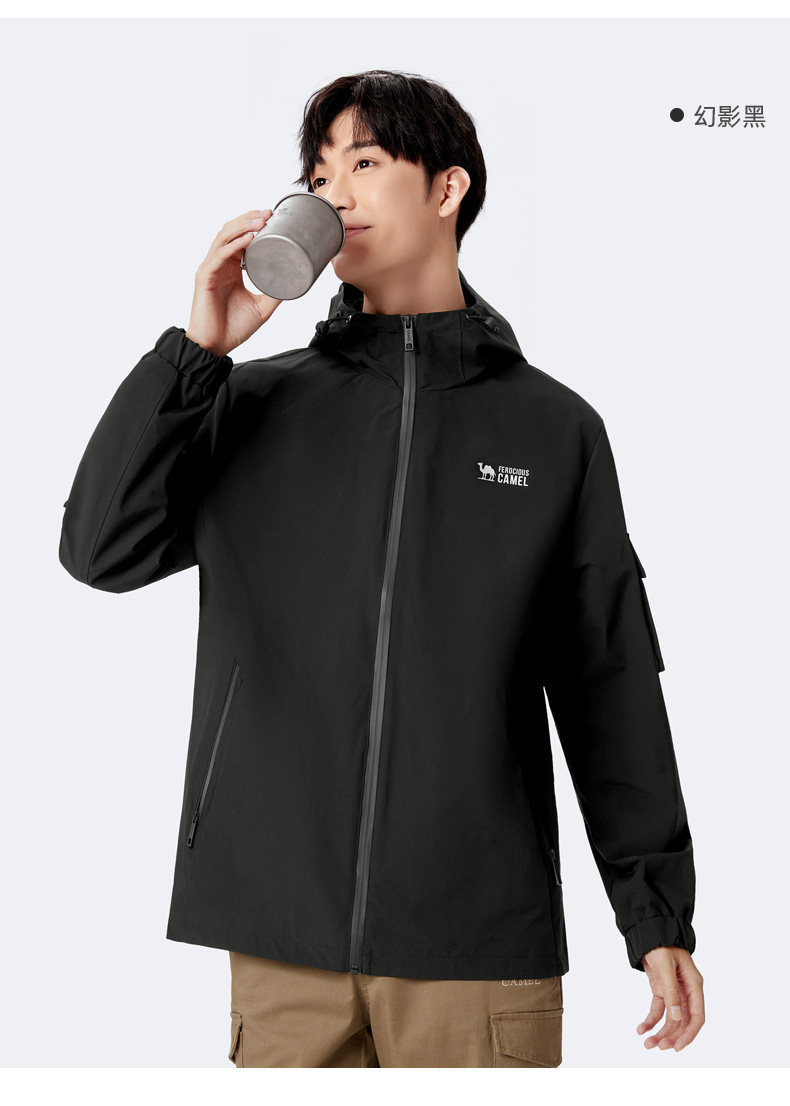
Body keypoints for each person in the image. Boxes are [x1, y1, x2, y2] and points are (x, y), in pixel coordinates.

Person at [58, 68, 704, 1067]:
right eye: (318, 174)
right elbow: (100, 548)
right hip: (280, 936)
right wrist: (196, 353)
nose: (334, 194)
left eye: (363, 162)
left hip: (475, 941)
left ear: (447, 187)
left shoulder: (552, 428)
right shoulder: (250, 405)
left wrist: (655, 911)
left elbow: (606, 679)